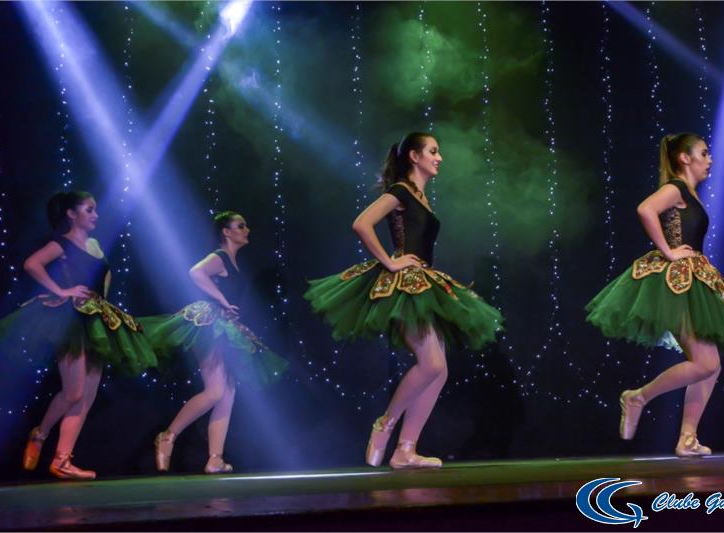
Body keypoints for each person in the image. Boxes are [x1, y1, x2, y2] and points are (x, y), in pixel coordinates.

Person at [304, 132, 503, 469]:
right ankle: (385, 425)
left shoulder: (421, 197)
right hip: (405, 285)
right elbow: (362, 224)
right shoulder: (400, 192)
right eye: (433, 151)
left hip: (423, 281)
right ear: (414, 156)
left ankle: (405, 450)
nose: (439, 158)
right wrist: (390, 261)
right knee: (433, 365)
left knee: (439, 371)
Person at [586, 132, 724, 456]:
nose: (710, 159)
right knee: (705, 363)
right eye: (704, 153)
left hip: (693, 279)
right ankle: (638, 397)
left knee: (711, 365)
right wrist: (669, 251)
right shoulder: (676, 188)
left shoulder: (690, 192)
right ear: (684, 158)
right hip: (676, 282)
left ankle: (687, 437)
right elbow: (646, 209)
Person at [0, 191, 158, 480]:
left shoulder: (94, 244)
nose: (95, 215)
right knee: (74, 392)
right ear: (71, 214)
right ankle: (40, 433)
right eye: (89, 209)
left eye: (95, 210)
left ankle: (62, 460)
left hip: (97, 320)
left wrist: (104, 308)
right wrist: (62, 291)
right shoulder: (61, 243)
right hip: (71, 321)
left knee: (86, 397)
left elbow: (105, 278)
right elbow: (31, 264)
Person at [142, 211, 288, 474]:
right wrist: (221, 300)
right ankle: (168, 436)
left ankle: (215, 458)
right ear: (226, 232)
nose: (246, 230)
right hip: (210, 325)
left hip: (224, 328)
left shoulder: (233, 261)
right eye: (240, 226)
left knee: (227, 391)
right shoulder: (219, 256)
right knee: (216, 391)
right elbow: (195, 273)